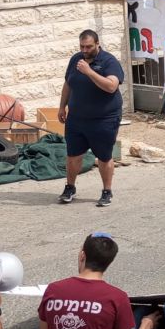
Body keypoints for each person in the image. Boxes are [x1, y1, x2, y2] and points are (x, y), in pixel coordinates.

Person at [38, 233, 159, 329]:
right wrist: (147, 325)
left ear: (82, 255)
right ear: (109, 262)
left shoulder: (53, 289)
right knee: (141, 313)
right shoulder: (117, 297)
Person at [58, 29, 125, 207]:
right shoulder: (76, 59)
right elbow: (68, 83)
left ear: (97, 44)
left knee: (104, 156)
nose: (85, 50)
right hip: (77, 119)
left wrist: (89, 72)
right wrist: (61, 106)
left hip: (104, 119)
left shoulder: (109, 62)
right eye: (82, 46)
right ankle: (70, 187)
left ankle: (106, 191)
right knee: (73, 155)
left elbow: (111, 86)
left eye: (89, 46)